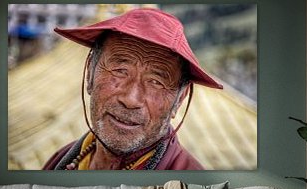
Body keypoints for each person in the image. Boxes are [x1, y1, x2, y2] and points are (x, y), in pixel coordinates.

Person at [43, 7, 222, 170]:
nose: (130, 99)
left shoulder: (191, 184)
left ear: (179, 99)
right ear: (90, 72)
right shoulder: (59, 162)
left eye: (156, 82)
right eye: (120, 71)